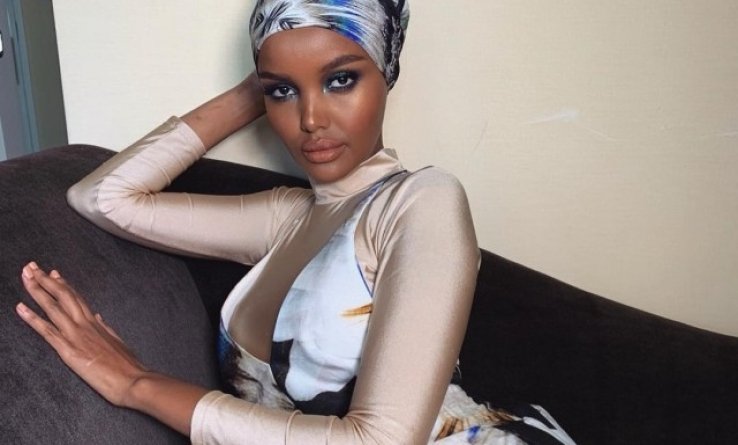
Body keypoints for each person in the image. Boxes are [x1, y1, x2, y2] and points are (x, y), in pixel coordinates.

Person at [16, 1, 575, 444]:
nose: (309, 119)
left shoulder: (421, 201)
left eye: (340, 80)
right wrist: (252, 90)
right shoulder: (287, 216)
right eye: (284, 92)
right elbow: (102, 198)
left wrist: (139, 385)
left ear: (386, 73)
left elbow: (381, 440)